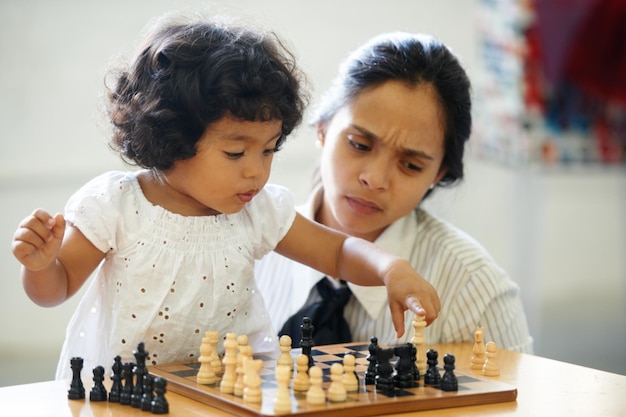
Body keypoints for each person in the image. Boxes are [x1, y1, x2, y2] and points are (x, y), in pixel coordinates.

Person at [10, 16, 440, 380]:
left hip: (228, 391)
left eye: (269, 149)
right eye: (235, 152)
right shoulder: (119, 205)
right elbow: (56, 288)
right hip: (126, 396)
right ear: (171, 139)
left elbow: (339, 252)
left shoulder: (259, 211)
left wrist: (389, 267)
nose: (256, 169)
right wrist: (41, 265)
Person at [255, 32, 533, 353]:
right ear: (322, 129)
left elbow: (521, 400)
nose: (375, 179)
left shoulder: (474, 289)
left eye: (411, 165)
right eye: (359, 145)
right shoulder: (247, 244)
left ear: (439, 174)